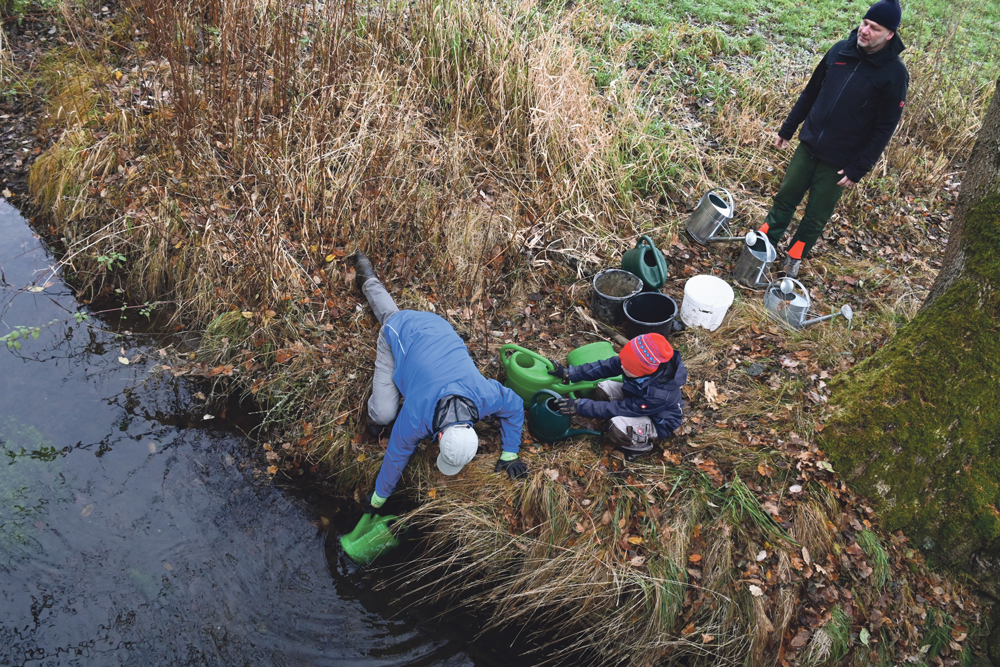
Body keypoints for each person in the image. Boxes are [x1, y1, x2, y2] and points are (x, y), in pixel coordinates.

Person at [351, 252, 529, 514]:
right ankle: (366, 274)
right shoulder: (416, 415)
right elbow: (397, 454)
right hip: (401, 333)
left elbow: (514, 405)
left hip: (439, 327)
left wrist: (510, 453)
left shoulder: (484, 397)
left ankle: (368, 273)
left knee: (395, 316)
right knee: (384, 412)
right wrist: (378, 497)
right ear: (442, 435)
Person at [759, 0, 909, 279]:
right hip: (809, 145)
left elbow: (885, 127)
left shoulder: (894, 74)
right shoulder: (840, 50)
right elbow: (811, 92)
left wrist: (859, 168)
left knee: (815, 216)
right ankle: (764, 243)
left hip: (840, 162)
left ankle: (794, 256)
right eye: (865, 23)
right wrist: (787, 129)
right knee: (785, 198)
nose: (864, 30)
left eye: (874, 28)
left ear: (889, 35)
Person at [548, 333, 687, 457]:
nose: (622, 367)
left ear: (643, 371)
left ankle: (638, 447)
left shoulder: (659, 394)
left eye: (627, 367)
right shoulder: (633, 363)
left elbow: (621, 408)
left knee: (618, 426)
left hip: (658, 422)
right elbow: (604, 367)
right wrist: (570, 373)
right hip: (636, 399)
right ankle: (612, 423)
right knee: (604, 387)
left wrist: (580, 406)